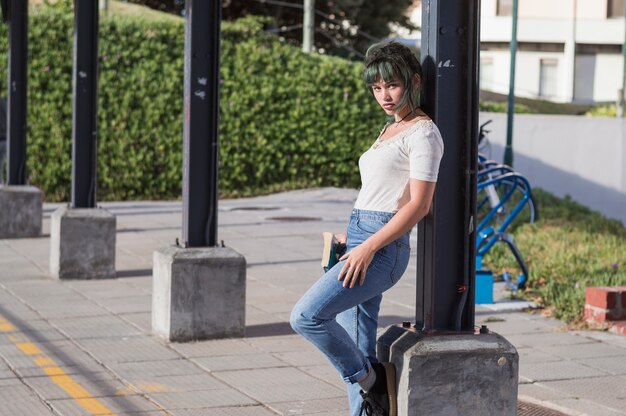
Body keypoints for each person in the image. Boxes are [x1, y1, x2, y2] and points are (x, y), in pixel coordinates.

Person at [290, 41, 444, 416]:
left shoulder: (423, 133)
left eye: (391, 85)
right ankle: (369, 396)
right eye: (377, 88)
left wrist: (368, 246)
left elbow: (419, 205)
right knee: (356, 350)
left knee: (306, 317)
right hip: (360, 238)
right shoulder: (390, 129)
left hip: (381, 249)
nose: (384, 96)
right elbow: (379, 191)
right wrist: (350, 236)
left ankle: (374, 381)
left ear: (413, 81)